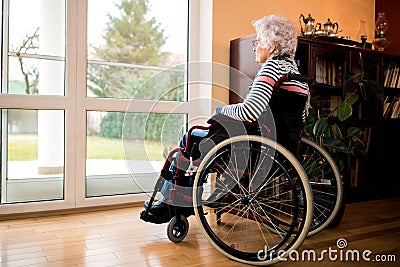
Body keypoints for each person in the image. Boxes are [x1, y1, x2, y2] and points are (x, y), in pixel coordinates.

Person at [144, 14, 310, 221]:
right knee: (198, 143)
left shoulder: (271, 69)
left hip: (254, 150)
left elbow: (250, 111)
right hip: (281, 148)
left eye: (257, 42)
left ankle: (175, 203)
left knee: (189, 141)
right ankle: (181, 200)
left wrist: (222, 110)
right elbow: (302, 117)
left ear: (273, 45)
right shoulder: (296, 75)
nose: (254, 47)